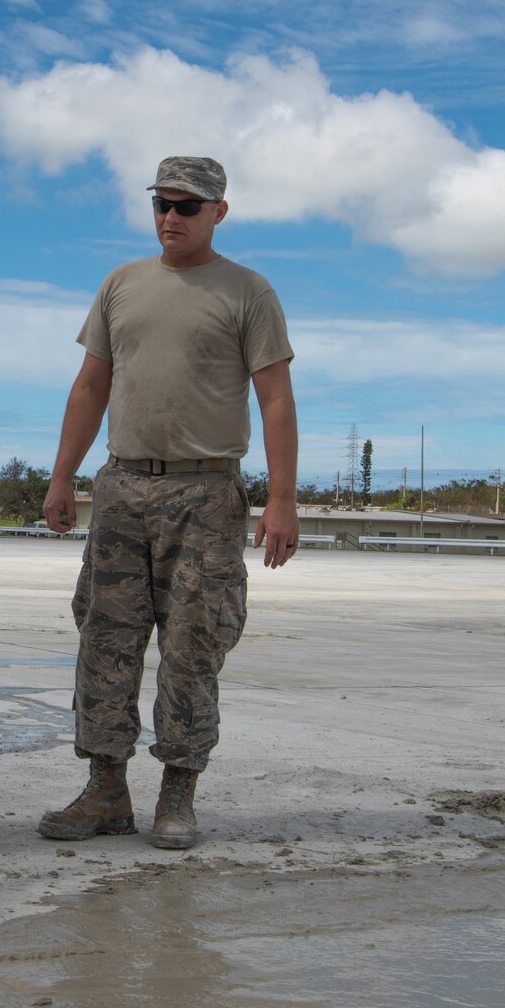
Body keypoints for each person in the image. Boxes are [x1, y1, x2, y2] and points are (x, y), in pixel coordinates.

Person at [37, 155, 298, 850]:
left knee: (193, 643)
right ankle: (105, 789)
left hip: (206, 492)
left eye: (187, 206)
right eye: (162, 203)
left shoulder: (248, 291)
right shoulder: (120, 285)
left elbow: (275, 397)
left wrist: (281, 499)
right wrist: (63, 476)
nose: (171, 218)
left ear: (219, 211)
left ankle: (177, 792)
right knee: (105, 638)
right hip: (122, 488)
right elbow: (90, 386)